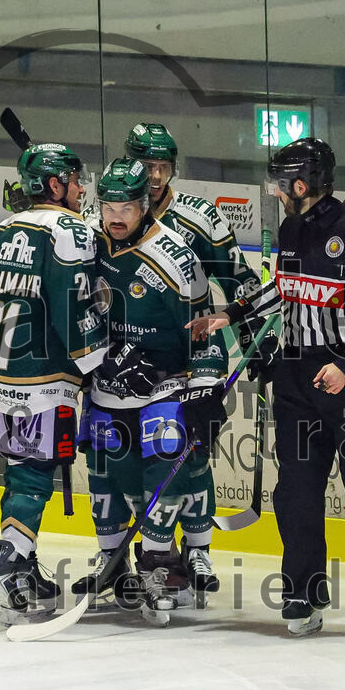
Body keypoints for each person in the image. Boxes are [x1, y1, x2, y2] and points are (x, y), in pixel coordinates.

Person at [188, 137, 345, 639]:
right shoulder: (290, 229)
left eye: (279, 181)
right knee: (296, 493)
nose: (273, 191)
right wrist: (232, 313)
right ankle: (302, 593)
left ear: (301, 183)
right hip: (295, 380)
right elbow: (281, 289)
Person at [75, 157, 228, 620]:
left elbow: (205, 332)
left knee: (164, 469)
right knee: (105, 471)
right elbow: (70, 304)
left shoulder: (177, 258)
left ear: (146, 205)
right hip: (106, 385)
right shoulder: (87, 241)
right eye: (108, 206)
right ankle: (112, 560)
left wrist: (205, 389)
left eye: (126, 207)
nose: (116, 216)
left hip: (165, 386)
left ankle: (160, 562)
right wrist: (103, 356)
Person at [120, 122, 267, 595]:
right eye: (147, 165)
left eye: (163, 166)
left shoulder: (198, 216)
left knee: (192, 446)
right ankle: (142, 553)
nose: (156, 175)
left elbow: (238, 280)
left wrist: (254, 343)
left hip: (196, 350)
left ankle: (197, 550)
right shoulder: (112, 210)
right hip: (132, 353)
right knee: (125, 453)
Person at [0, 143, 110, 626]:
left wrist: (18, 314)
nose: (81, 185)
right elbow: (71, 308)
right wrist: (96, 356)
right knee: (33, 475)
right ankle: (5, 574)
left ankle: (22, 567)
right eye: (72, 177)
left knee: (20, 470)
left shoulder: (4, 228)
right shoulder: (71, 231)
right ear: (54, 185)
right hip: (44, 382)